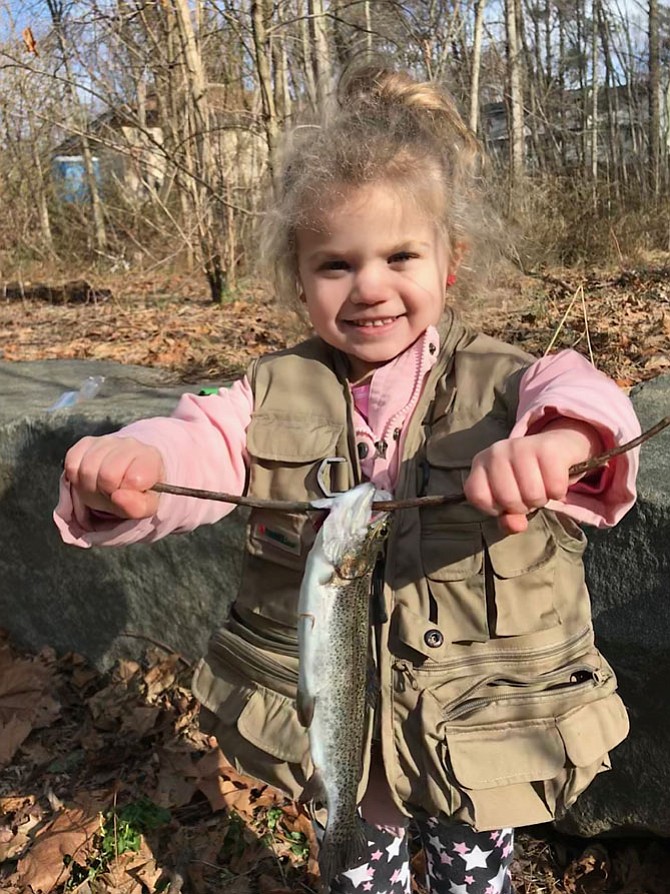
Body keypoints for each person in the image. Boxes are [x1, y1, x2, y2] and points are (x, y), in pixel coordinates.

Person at [55, 66, 640, 894]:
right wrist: (142, 464)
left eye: (400, 255)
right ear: (299, 278)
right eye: (336, 265)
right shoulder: (270, 391)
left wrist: (561, 441)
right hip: (347, 749)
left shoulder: (512, 383)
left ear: (450, 264)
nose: (369, 286)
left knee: (474, 880)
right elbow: (200, 443)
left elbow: (584, 395)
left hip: (473, 737)